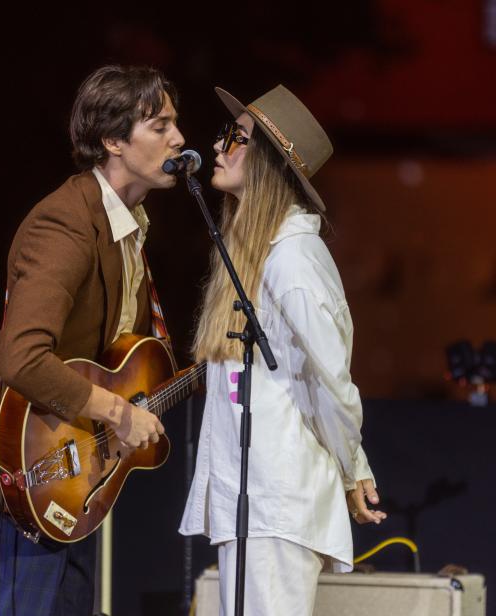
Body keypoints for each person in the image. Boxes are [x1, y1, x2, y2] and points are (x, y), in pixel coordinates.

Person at [0, 64, 185, 616]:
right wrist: (118, 413)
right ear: (113, 140)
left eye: (176, 123)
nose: (179, 138)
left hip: (74, 475)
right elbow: (23, 356)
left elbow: (112, 356)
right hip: (29, 472)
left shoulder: (127, 225)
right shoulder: (66, 223)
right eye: (160, 125)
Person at [180, 85, 387, 616]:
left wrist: (353, 468)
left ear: (269, 162)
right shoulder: (262, 255)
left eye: (237, 138)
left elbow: (331, 380)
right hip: (254, 502)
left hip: (275, 501)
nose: (220, 146)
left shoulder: (293, 261)